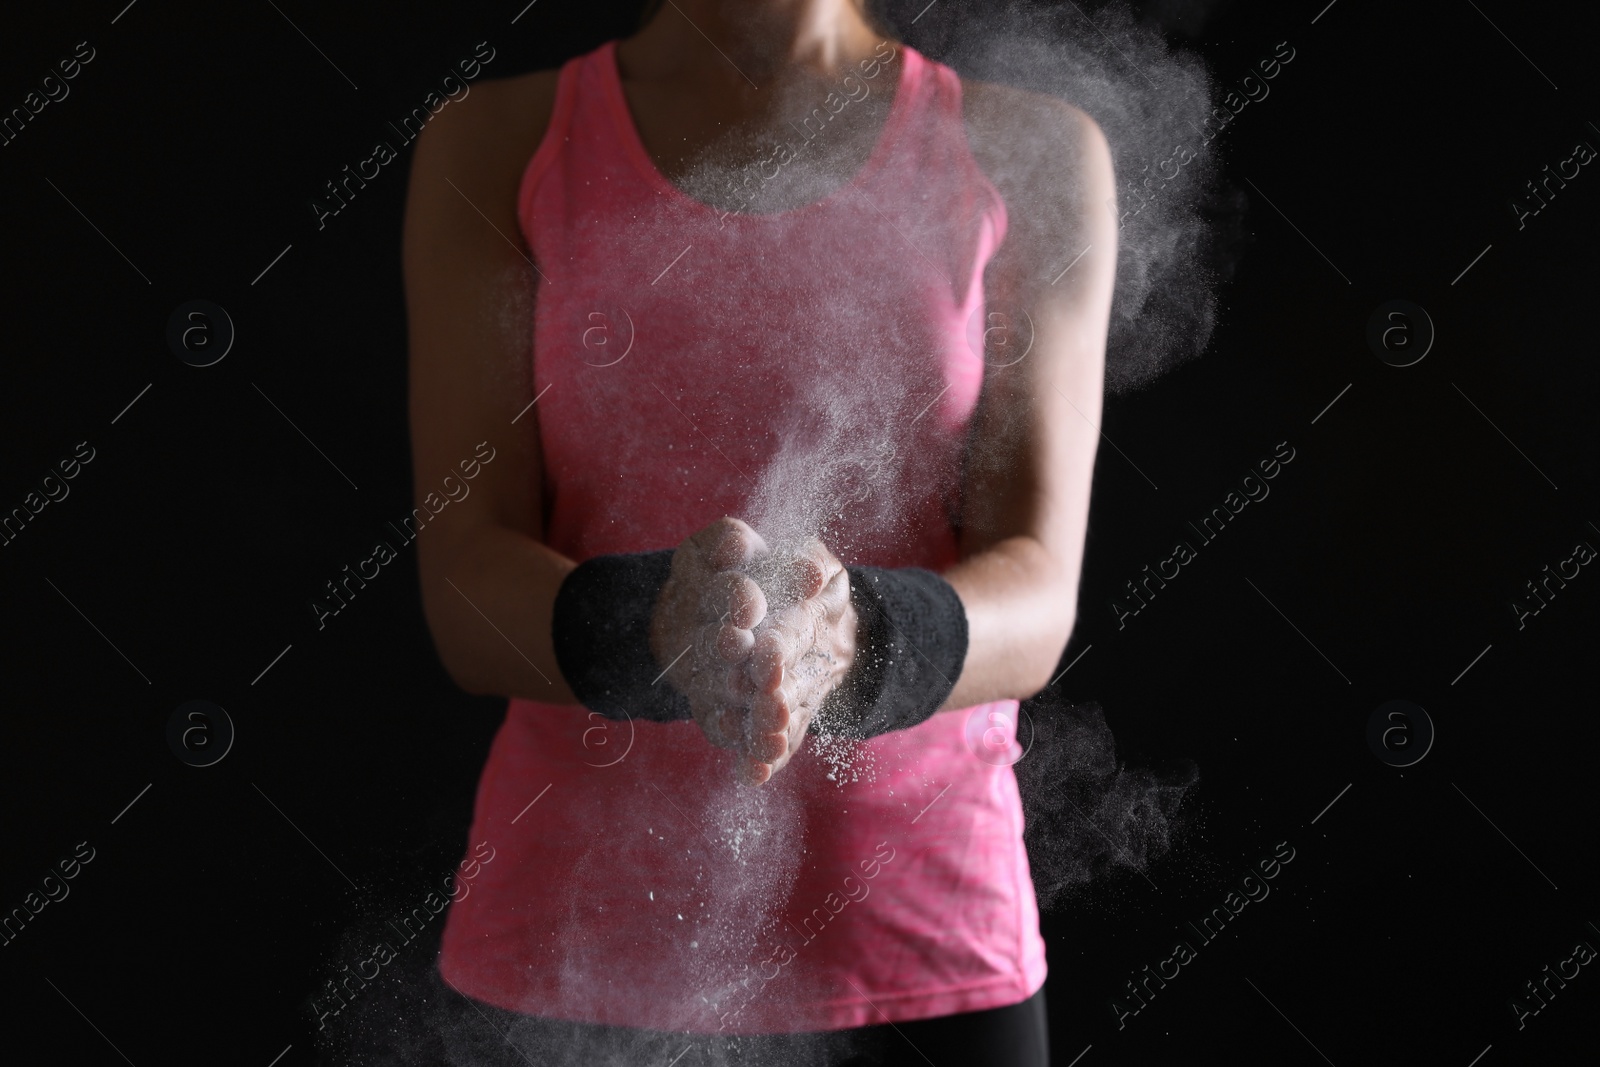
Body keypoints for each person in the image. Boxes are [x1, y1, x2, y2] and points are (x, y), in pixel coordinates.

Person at [402, 0, 1115, 1062]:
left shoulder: (1030, 151)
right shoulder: (496, 141)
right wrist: (663, 630)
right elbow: (465, 584)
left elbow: (1038, 593)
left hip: (924, 952)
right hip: (579, 940)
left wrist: (854, 639)